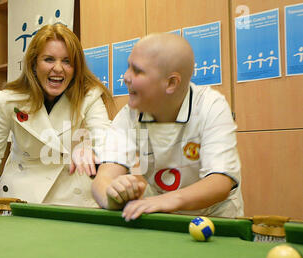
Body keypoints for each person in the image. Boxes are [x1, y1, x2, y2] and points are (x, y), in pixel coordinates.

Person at [92, 33, 244, 219]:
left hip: (214, 218)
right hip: (160, 216)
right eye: (128, 67)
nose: (125, 77)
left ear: (171, 83)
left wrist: (171, 199)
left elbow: (220, 182)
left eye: (137, 71)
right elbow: (103, 178)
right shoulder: (128, 115)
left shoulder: (211, 106)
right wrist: (112, 194)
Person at [0, 24, 116, 207]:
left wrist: (92, 149)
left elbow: (104, 140)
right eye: (49, 59)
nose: (58, 68)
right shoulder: (9, 100)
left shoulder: (89, 97)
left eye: (67, 61)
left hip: (73, 200)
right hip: (21, 199)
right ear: (33, 64)